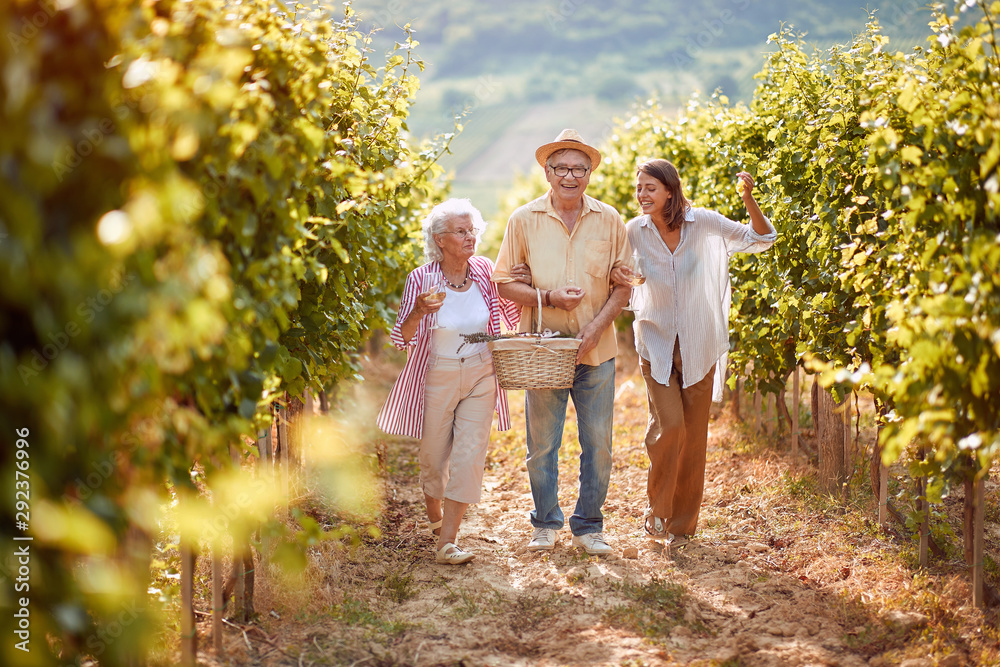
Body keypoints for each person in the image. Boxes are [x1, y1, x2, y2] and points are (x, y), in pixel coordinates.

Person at [611, 159, 777, 548]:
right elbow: (609, 268)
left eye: (649, 187)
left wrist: (749, 200)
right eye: (639, 188)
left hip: (699, 344)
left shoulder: (704, 222)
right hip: (656, 341)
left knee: (695, 436)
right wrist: (620, 277)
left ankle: (682, 527)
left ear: (670, 189)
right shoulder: (634, 231)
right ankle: (657, 511)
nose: (641, 195)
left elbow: (763, 238)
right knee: (670, 426)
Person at [492, 129, 631, 556]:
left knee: (600, 446)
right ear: (547, 172)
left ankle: (589, 526)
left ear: (589, 173)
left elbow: (622, 287)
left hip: (597, 351)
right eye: (562, 168)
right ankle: (545, 523)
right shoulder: (523, 220)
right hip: (542, 351)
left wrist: (594, 329)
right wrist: (546, 297)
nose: (570, 176)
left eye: (579, 168)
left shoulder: (610, 220)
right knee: (542, 447)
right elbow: (502, 283)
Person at [377, 198, 528, 564]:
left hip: (482, 371)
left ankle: (448, 541)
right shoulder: (421, 278)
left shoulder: (484, 270)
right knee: (432, 460)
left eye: (472, 229)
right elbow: (402, 337)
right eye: (461, 231)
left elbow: (510, 312)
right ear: (440, 240)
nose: (469, 237)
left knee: (469, 455)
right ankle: (436, 522)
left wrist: (520, 283)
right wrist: (417, 311)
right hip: (438, 373)